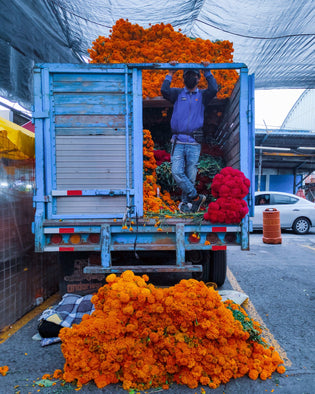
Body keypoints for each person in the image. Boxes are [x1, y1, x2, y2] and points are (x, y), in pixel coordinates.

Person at [161, 61, 218, 213]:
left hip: (194, 142)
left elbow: (214, 88)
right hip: (178, 141)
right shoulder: (177, 94)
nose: (191, 78)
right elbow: (164, 90)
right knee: (177, 172)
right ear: (184, 78)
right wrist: (171, 73)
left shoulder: (203, 96)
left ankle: (187, 205)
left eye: (194, 75)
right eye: (188, 75)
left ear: (198, 79)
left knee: (190, 176)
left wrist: (207, 71)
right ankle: (195, 197)